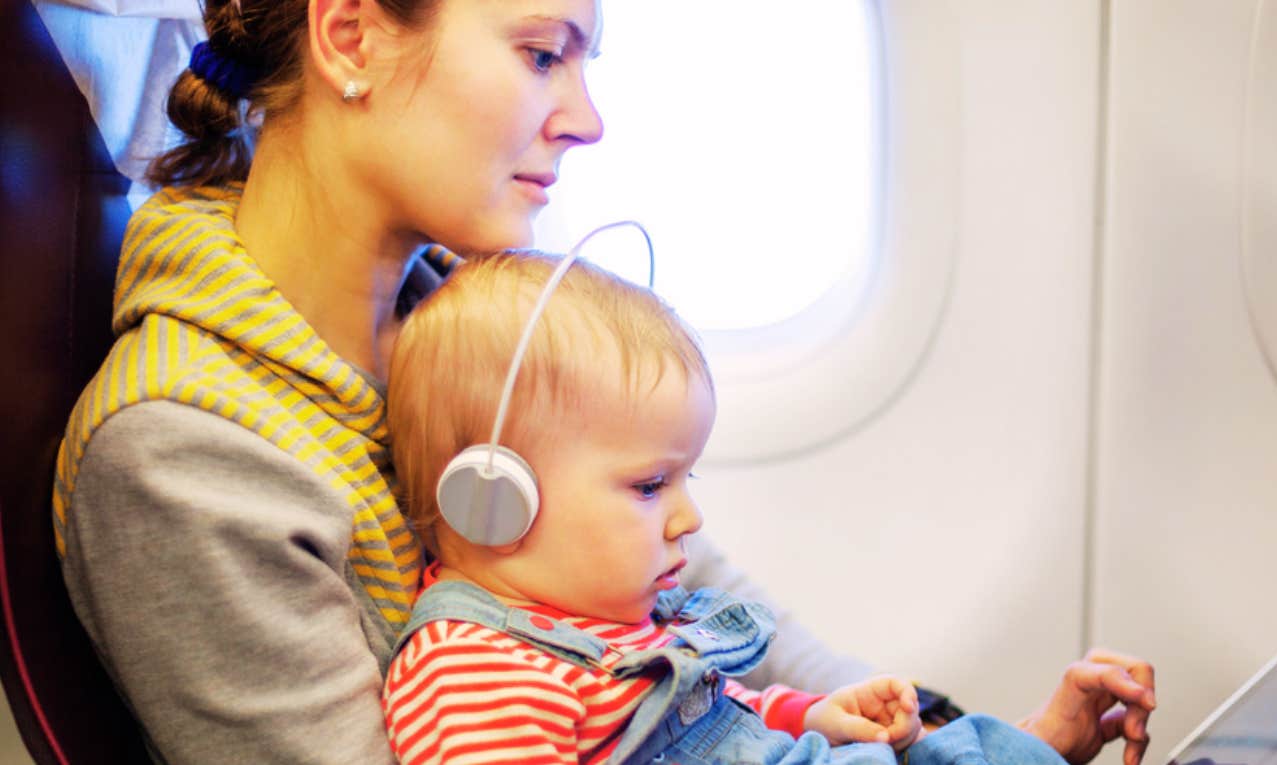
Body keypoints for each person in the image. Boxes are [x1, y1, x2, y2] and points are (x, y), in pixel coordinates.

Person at [48, 0, 1155, 762]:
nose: (586, 115)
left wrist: (944, 734)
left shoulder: (473, 328)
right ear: (350, 38)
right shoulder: (187, 460)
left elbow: (720, 616)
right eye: (542, 52)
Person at [381, 250, 1084, 765]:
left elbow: (708, 715)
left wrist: (812, 714)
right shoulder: (475, 677)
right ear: (493, 503)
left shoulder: (603, 616)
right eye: (651, 486)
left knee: (954, 751)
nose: (689, 517)